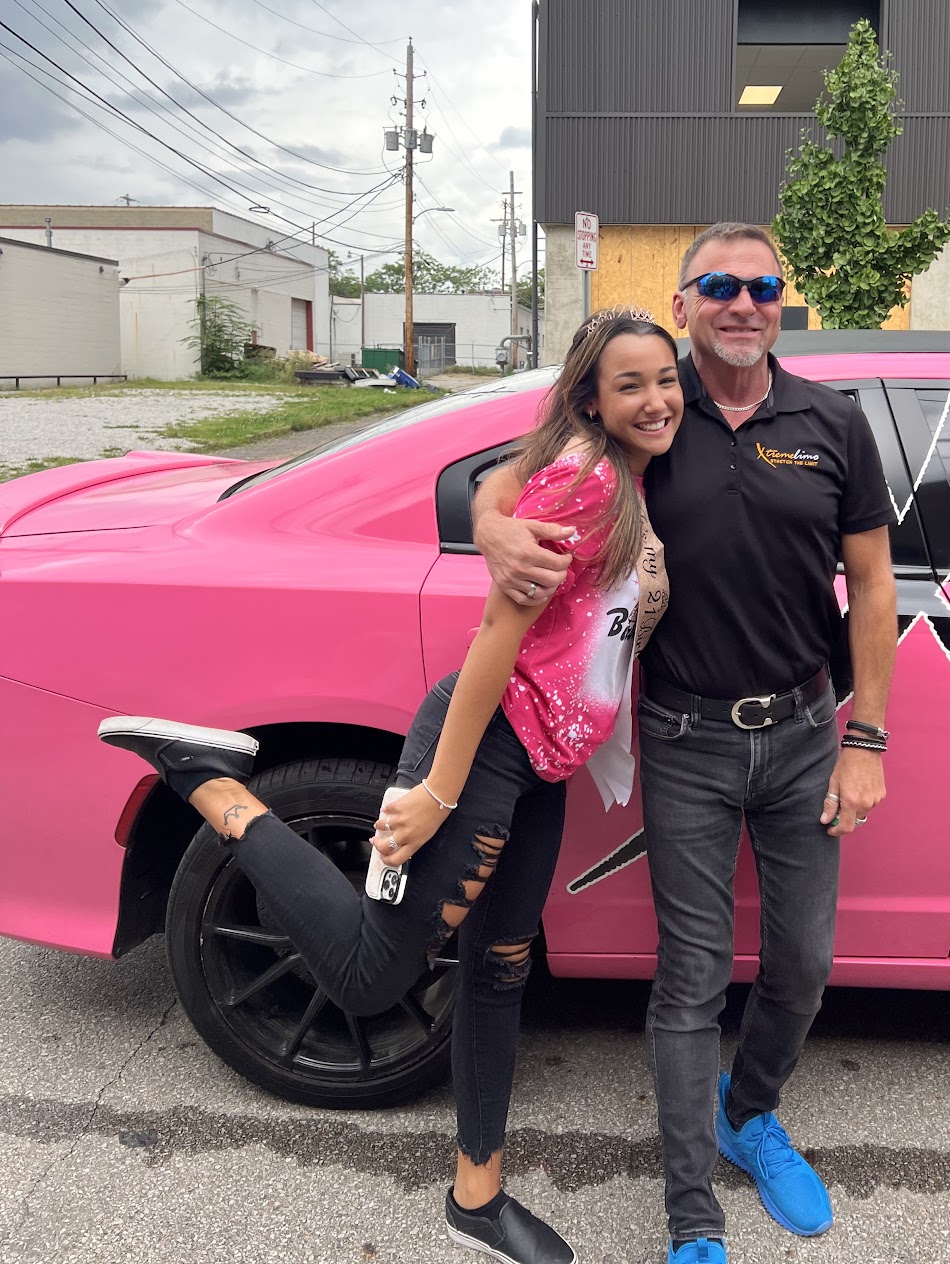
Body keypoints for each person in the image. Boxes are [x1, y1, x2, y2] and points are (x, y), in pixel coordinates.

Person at [98, 308, 682, 1264]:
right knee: (372, 976)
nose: (656, 399)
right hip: (487, 746)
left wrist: (493, 517)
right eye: (631, 384)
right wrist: (439, 792)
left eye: (666, 379)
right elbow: (495, 636)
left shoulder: (617, 466)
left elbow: (500, 481)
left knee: (500, 968)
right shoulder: (585, 481)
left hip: (544, 761)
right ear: (590, 399)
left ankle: (476, 1199)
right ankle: (212, 787)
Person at [474, 223, 897, 1264]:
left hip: (806, 733)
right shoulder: (649, 417)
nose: (744, 303)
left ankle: (747, 1113)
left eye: (764, 286)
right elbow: (509, 478)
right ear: (684, 302)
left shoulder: (834, 422)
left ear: (783, 301)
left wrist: (867, 738)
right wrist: (493, 526)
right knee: (691, 978)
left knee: (803, 963)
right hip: (685, 737)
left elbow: (874, 584)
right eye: (720, 285)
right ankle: (691, 1213)